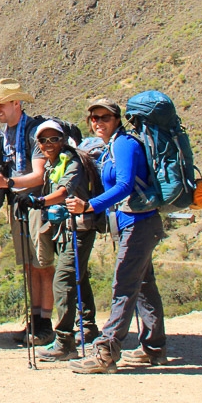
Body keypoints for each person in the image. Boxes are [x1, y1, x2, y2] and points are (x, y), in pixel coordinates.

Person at [66, 98, 168, 374]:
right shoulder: (112, 145)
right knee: (144, 285)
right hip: (135, 223)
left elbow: (124, 185)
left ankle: (106, 353)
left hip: (138, 224)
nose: (98, 122)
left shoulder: (124, 144)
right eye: (94, 118)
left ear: (117, 119)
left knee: (123, 284)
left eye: (105, 117)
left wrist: (89, 206)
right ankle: (154, 348)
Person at [0, 78, 54, 346]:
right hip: (18, 204)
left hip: (36, 204)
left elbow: (39, 175)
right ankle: (34, 319)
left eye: (0, 104)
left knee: (43, 265)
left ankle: (45, 324)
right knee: (29, 265)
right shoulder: (8, 133)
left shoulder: (34, 133)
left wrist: (7, 183)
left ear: (16, 103)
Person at [22, 120, 101, 361]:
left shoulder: (72, 162)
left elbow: (65, 191)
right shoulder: (53, 163)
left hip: (80, 228)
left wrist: (39, 201)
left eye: (53, 139)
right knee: (79, 277)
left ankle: (65, 342)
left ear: (63, 140)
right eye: (43, 140)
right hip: (64, 229)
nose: (48, 144)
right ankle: (88, 327)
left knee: (63, 280)